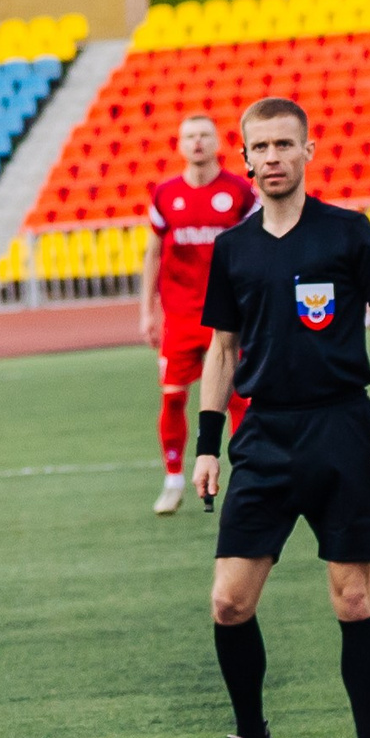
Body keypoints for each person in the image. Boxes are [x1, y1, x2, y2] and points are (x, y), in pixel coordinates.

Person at [192, 97, 370, 738]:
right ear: (247, 158)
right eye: (262, 146)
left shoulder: (348, 234)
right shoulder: (234, 247)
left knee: (353, 599)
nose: (274, 156)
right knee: (229, 601)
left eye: (287, 143)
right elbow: (221, 350)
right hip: (264, 435)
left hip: (343, 429)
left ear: (308, 151)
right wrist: (207, 445)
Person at [140, 115, 257, 515]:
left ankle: (247, 472)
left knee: (239, 396)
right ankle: (173, 479)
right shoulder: (164, 194)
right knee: (173, 398)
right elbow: (153, 252)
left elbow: (258, 247)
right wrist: (147, 311)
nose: (197, 142)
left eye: (204, 135)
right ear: (179, 144)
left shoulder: (240, 192)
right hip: (180, 315)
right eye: (189, 136)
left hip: (230, 314)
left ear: (218, 142)